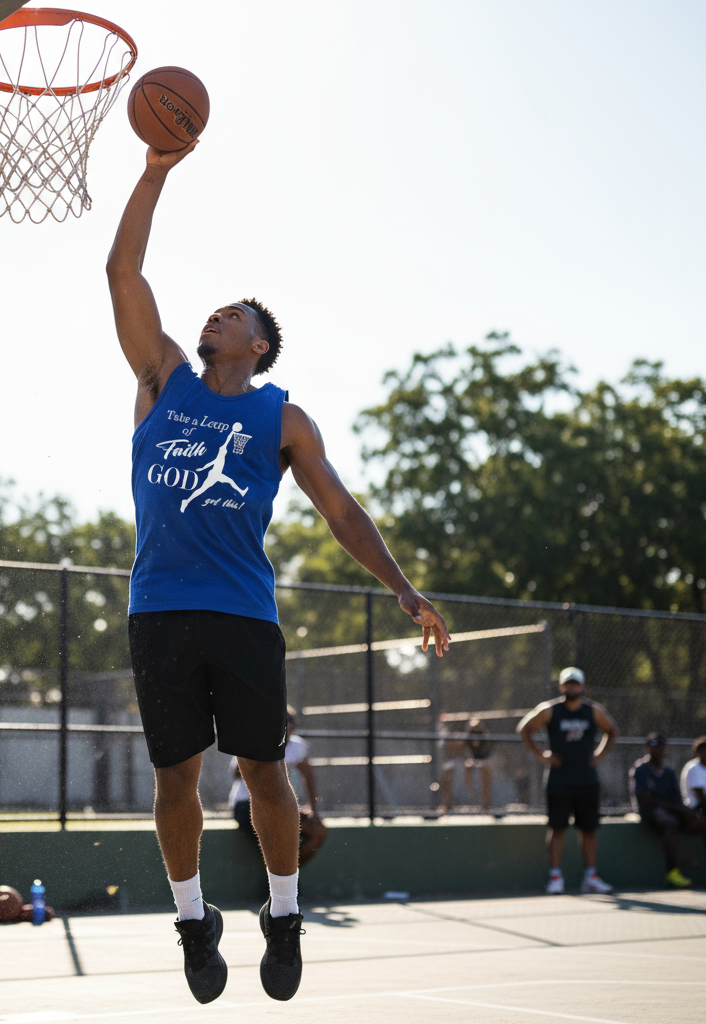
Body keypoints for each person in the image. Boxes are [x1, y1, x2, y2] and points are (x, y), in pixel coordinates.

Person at [106, 141, 451, 1004]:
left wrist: (403, 590)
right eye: (212, 312)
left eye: (231, 316)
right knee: (174, 778)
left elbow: (340, 511)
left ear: (257, 344)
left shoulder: (281, 415)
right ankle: (193, 920)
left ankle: (285, 915)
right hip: (160, 610)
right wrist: (155, 169)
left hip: (243, 615)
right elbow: (121, 267)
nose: (213, 318)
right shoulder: (162, 381)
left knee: (265, 771)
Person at [517, 667, 618, 895]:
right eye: (567, 684)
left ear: (582, 686)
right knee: (558, 828)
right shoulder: (550, 710)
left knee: (589, 829)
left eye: (576, 683)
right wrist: (540, 754)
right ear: (561, 686)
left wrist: (600, 754)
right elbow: (524, 728)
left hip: (587, 780)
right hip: (559, 781)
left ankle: (590, 877)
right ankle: (555, 877)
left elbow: (612, 730)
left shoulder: (593, 711)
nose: (572, 687)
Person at [229, 706, 328, 867]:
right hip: (247, 806)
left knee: (319, 831)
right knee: (279, 841)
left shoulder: (296, 747)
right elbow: (236, 774)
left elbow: (308, 777)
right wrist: (263, 752)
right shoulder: (255, 742)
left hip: (280, 806)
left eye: (290, 724)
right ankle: (279, 884)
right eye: (281, 724)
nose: (287, 729)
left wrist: (313, 809)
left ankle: (289, 878)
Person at [631, 733, 706, 889]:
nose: (657, 751)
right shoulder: (640, 769)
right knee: (670, 823)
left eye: (660, 748)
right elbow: (646, 800)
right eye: (654, 747)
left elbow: (676, 799)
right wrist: (676, 808)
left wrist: (686, 812)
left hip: (672, 811)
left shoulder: (669, 772)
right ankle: (671, 872)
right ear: (648, 749)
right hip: (652, 814)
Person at [439, 718, 493, 813]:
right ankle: (447, 804)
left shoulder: (485, 740)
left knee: (484, 769)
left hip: (479, 763)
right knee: (450, 770)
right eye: (472, 729)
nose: (474, 731)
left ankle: (484, 805)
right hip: (463, 763)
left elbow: (483, 756)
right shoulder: (464, 739)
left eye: (476, 728)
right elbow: (457, 752)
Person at [681, 736, 706, 825]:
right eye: (704, 751)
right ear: (698, 752)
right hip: (695, 809)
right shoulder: (693, 768)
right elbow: (702, 798)